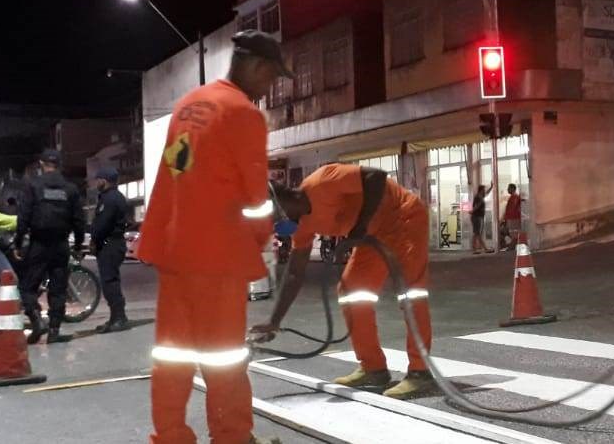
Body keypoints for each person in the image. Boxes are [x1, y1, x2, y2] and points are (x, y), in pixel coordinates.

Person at [137, 31, 288, 444]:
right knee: (223, 357)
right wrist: (263, 242)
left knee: (173, 354)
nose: (269, 89)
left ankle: (171, 436)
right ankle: (233, 436)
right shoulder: (243, 113)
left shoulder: (189, 104)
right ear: (257, 67)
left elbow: (177, 170)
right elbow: (256, 198)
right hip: (217, 253)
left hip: (173, 249)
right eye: (272, 78)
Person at [250, 163, 435, 400]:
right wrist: (273, 321)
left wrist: (360, 224)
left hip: (404, 217)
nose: (275, 226)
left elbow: (375, 176)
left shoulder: (323, 182)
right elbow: (295, 273)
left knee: (411, 294)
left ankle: (420, 373)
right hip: (372, 234)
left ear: (282, 201)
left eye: (273, 218)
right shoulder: (302, 226)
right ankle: (373, 368)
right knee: (352, 291)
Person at [18, 148, 85, 344]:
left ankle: (37, 320)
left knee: (28, 286)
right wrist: (79, 244)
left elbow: (24, 216)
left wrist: (18, 241)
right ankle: (54, 330)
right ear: (59, 165)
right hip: (60, 245)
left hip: (39, 243)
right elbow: (79, 220)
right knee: (58, 288)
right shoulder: (70, 189)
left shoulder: (33, 186)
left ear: (41, 164)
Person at [90, 168, 131, 334]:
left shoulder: (110, 199)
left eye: (97, 179)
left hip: (110, 244)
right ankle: (115, 318)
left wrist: (94, 239)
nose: (95, 183)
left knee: (110, 282)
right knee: (110, 281)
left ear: (104, 180)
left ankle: (119, 318)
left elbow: (103, 224)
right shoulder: (113, 197)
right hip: (112, 243)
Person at [470, 183, 493, 254]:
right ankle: (481, 248)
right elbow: (477, 206)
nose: (484, 191)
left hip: (478, 216)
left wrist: (491, 187)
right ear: (481, 190)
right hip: (476, 217)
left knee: (477, 233)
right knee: (477, 233)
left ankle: (479, 248)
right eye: (483, 190)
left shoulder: (481, 196)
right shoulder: (478, 197)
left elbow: (487, 193)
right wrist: (472, 211)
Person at [501, 183, 525, 250]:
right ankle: (511, 247)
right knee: (512, 233)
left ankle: (511, 247)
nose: (507, 189)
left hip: (513, 218)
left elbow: (513, 208)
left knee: (514, 234)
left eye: (509, 188)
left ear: (512, 189)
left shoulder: (515, 197)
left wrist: (506, 218)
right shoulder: (513, 197)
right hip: (511, 218)